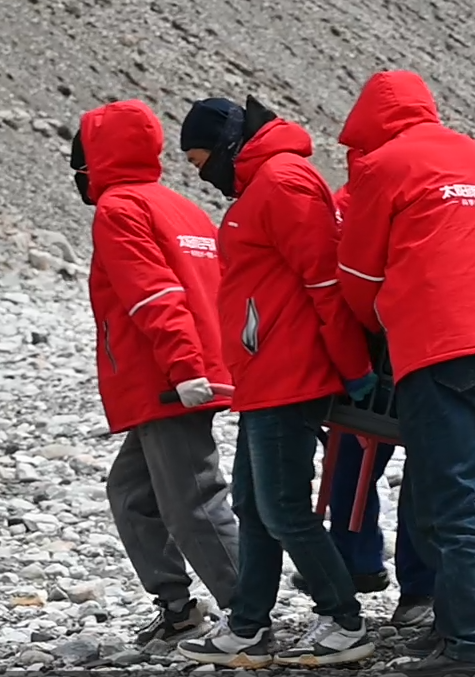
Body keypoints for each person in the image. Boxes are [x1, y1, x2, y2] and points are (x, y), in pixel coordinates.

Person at [336, 70, 475, 675]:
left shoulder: (383, 166)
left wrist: (390, 313)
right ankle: (449, 625)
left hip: (438, 350)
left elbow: (359, 274)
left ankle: (471, 644)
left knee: (447, 504)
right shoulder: (469, 153)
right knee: (443, 488)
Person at [290, 178, 475, 628]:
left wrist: (396, 304)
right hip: (451, 340)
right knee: (427, 470)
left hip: (395, 344)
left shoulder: (364, 192)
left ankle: (365, 566)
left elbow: (343, 270)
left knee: (358, 452)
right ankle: (419, 589)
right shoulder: (466, 183)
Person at [174, 96, 378, 669]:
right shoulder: (264, 184)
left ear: (228, 145)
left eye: (199, 160)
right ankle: (247, 626)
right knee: (254, 504)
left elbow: (324, 284)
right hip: (267, 373)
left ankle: (345, 620)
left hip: (290, 372)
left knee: (284, 506)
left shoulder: (281, 182)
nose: (201, 174)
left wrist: (354, 368)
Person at [70, 99, 239, 646]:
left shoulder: (120, 209)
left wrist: (185, 370)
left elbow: (155, 298)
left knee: (193, 500)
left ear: (98, 157)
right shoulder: (179, 206)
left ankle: (249, 615)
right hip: (187, 372)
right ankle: (177, 607)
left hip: (170, 379)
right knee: (132, 493)